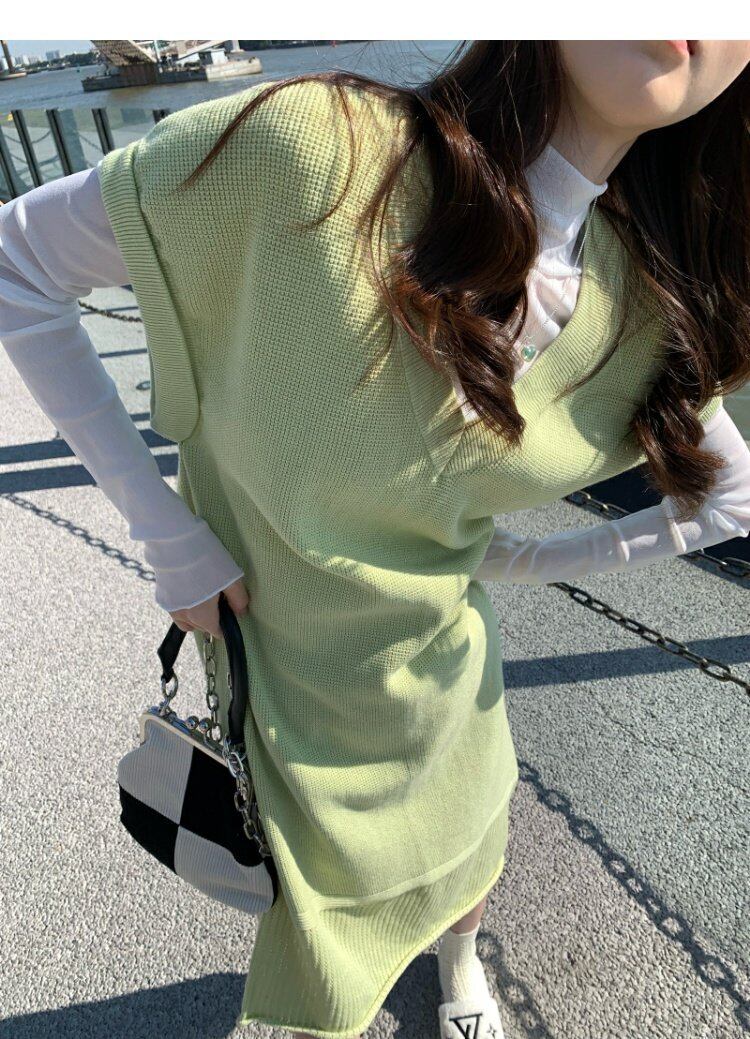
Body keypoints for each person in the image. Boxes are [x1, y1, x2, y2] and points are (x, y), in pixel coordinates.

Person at [2, 40, 750, 1039]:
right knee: (315, 901)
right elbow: (18, 263)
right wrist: (165, 532)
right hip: (281, 658)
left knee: (470, 837)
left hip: (444, 670)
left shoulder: (648, 304)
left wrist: (522, 561)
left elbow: (730, 500)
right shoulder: (316, 150)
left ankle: (462, 968)